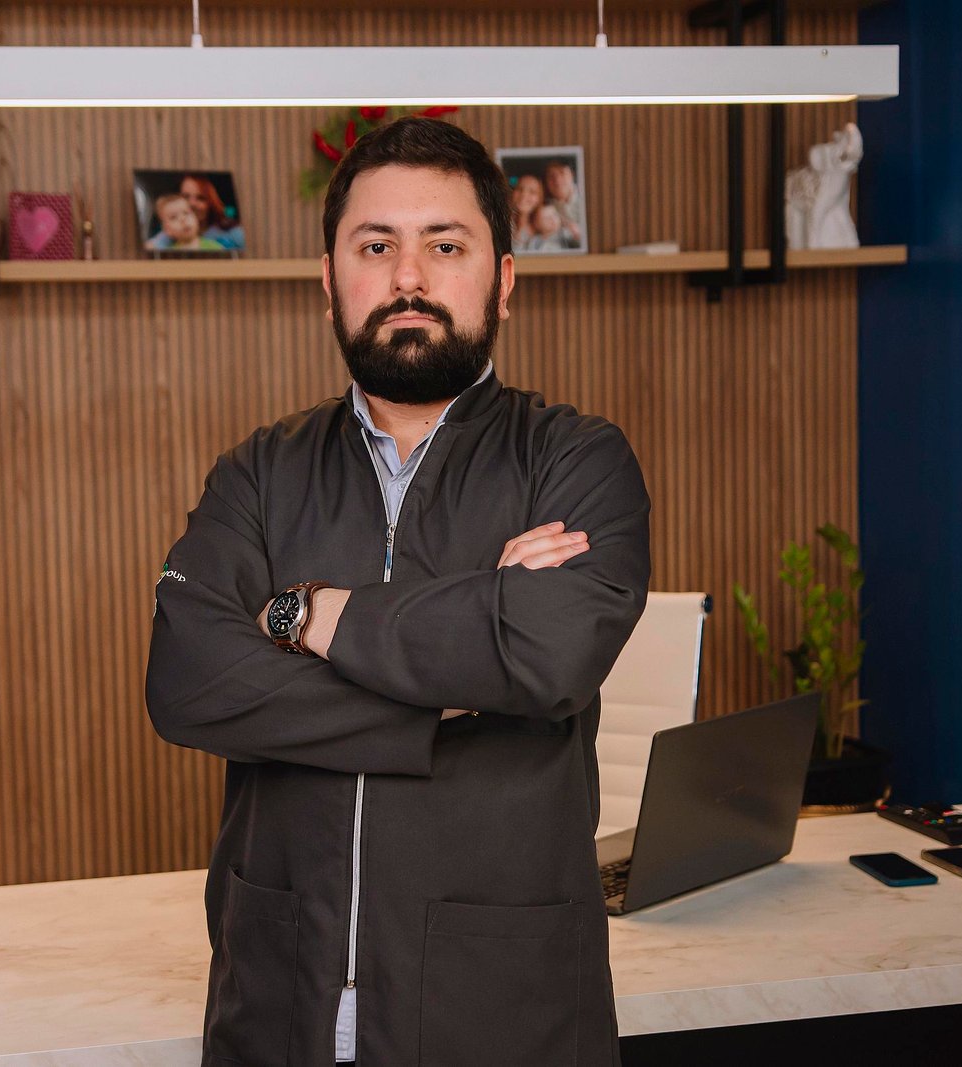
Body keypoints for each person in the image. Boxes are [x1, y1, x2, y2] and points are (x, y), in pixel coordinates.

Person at [146, 117, 650, 1067]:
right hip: (277, 1007)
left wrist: (306, 613)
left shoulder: (575, 460)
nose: (408, 278)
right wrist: (462, 668)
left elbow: (547, 654)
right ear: (328, 279)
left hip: (504, 1013)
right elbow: (188, 681)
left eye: (445, 246)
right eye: (375, 247)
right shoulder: (258, 473)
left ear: (504, 281)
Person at [147, 173, 245, 251]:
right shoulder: (167, 238)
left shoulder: (232, 231)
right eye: (186, 196)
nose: (192, 204)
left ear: (211, 202)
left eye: (200, 198)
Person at [145, 193, 225, 252]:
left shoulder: (215, 247)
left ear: (196, 218)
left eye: (186, 213)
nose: (183, 219)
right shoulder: (168, 254)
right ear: (166, 229)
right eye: (173, 217)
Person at [542, 159, 587, 247]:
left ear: (572, 175)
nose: (557, 180)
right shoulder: (544, 207)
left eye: (562, 172)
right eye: (551, 176)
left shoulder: (588, 198)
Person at [508, 172, 546, 252]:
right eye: (520, 189)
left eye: (532, 192)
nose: (524, 195)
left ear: (539, 198)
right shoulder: (502, 223)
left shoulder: (546, 225)